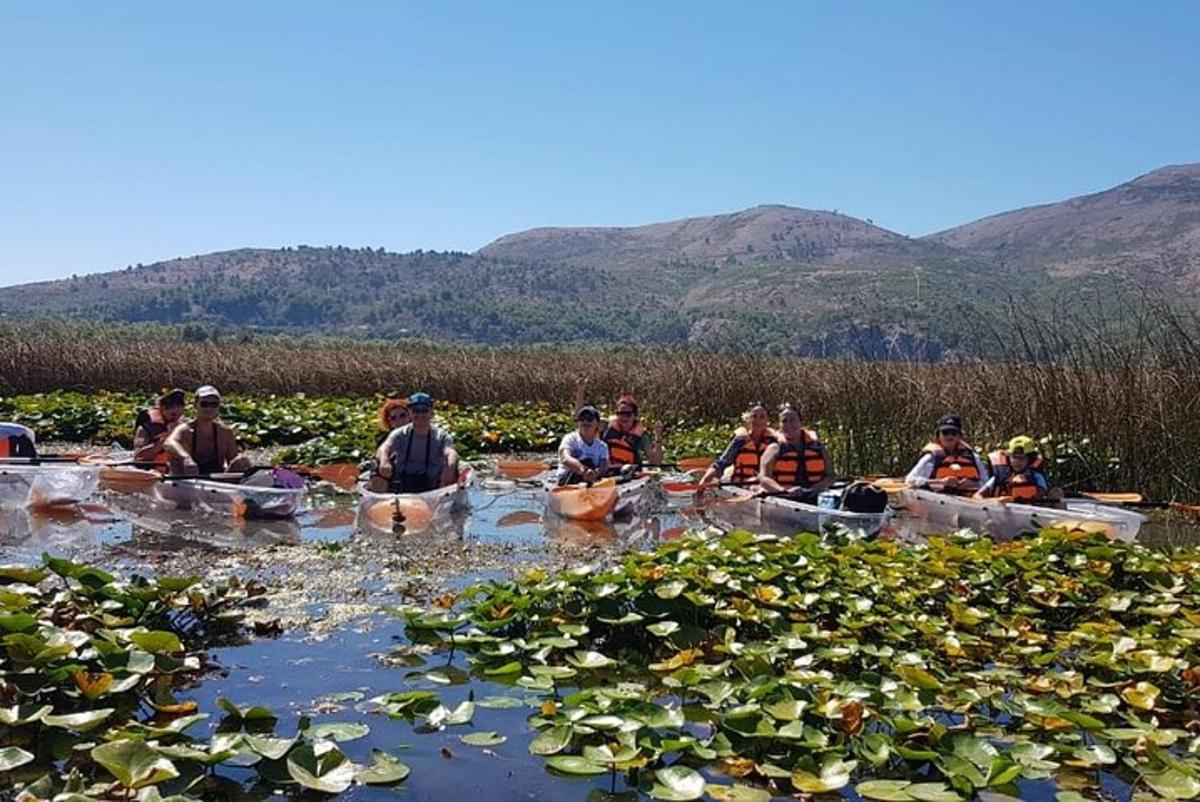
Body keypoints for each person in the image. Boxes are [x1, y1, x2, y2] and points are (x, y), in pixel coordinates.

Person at [374, 392, 460, 493]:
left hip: (432, 486)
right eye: (416, 411)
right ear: (410, 413)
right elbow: (384, 448)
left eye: (424, 410)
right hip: (403, 483)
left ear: (431, 413)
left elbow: (451, 453)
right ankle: (381, 502)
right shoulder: (400, 433)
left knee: (452, 469)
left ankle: (442, 502)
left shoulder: (441, 436)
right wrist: (384, 461)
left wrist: (450, 467)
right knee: (375, 466)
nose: (420, 414)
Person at [164, 386, 252, 476]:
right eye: (204, 404)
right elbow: (169, 442)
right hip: (188, 482)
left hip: (216, 482)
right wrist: (186, 458)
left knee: (243, 461)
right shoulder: (185, 430)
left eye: (214, 405)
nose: (209, 408)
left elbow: (233, 458)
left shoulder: (225, 433)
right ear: (195, 405)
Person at [758, 404, 834, 501]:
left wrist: (814, 489)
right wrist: (784, 491)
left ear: (800, 423)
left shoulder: (818, 447)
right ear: (779, 426)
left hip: (814, 498)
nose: (789, 424)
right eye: (784, 421)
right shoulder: (774, 448)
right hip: (784, 500)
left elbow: (830, 476)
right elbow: (763, 479)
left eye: (793, 419)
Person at [698, 402, 776, 490]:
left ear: (767, 421)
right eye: (754, 416)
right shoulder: (740, 440)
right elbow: (721, 464)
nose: (757, 420)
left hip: (767, 486)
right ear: (748, 419)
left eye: (762, 417)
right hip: (742, 485)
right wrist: (704, 481)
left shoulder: (773, 441)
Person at [904, 414, 988, 495]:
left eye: (953, 433)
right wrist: (941, 482)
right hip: (938, 503)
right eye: (945, 432)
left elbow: (986, 483)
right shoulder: (932, 458)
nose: (949, 436)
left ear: (959, 437)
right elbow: (910, 480)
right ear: (938, 436)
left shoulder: (973, 457)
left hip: (970, 503)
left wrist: (973, 484)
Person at [976, 435, 1054, 502]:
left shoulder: (1037, 477)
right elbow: (977, 496)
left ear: (1030, 459)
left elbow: (1042, 496)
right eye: (1014, 457)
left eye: (1022, 458)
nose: (1017, 462)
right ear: (1008, 457)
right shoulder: (1000, 476)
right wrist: (996, 501)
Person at [602, 395, 664, 474]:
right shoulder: (606, 425)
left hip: (630, 474)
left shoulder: (641, 435)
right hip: (609, 472)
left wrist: (658, 436)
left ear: (634, 415)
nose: (623, 417)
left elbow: (655, 462)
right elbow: (583, 421)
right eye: (620, 413)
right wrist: (580, 390)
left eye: (627, 414)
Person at [556, 406, 610, 485]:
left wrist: (596, 473)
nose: (585, 422)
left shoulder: (602, 446)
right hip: (567, 480)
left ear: (597, 424)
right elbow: (565, 458)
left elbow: (603, 465)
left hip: (591, 479)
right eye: (582, 419)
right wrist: (583, 471)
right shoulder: (569, 439)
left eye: (589, 419)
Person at [132, 388, 186, 468]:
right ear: (163, 408)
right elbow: (139, 456)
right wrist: (166, 438)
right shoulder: (145, 428)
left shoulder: (181, 427)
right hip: (149, 470)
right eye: (173, 415)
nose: (176, 419)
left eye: (179, 416)